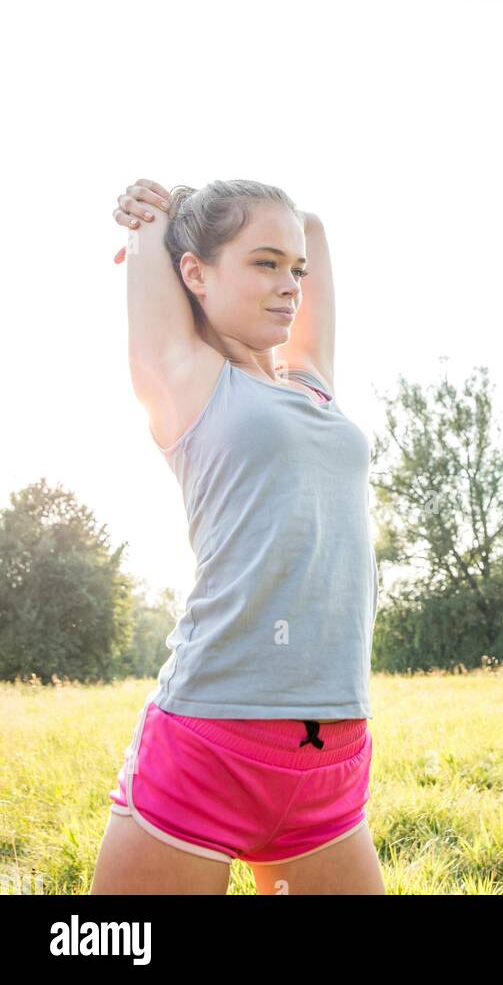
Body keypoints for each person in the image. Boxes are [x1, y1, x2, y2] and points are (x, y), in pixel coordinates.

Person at [89, 178, 384, 896]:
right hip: (213, 741)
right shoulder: (187, 380)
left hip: (332, 753)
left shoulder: (312, 383)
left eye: (294, 271)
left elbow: (311, 226)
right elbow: (163, 233)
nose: (289, 284)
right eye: (263, 263)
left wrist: (253, 227)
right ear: (194, 273)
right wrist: (156, 213)